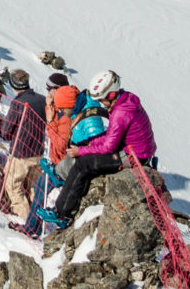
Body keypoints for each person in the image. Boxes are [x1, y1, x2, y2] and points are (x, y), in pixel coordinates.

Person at [45, 70, 156, 225]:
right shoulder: (124, 102)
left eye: (102, 99)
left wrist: (81, 150)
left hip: (134, 156)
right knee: (86, 155)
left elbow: (109, 147)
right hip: (137, 150)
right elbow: (112, 136)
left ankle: (62, 213)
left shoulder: (120, 112)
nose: (101, 103)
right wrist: (92, 143)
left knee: (84, 165)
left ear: (110, 95)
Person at [0, 68, 48, 219]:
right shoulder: (42, 99)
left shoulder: (18, 103)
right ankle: (37, 219)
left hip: (20, 154)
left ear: (13, 85)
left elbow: (6, 133)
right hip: (38, 152)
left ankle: (26, 220)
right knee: (33, 188)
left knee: (13, 186)